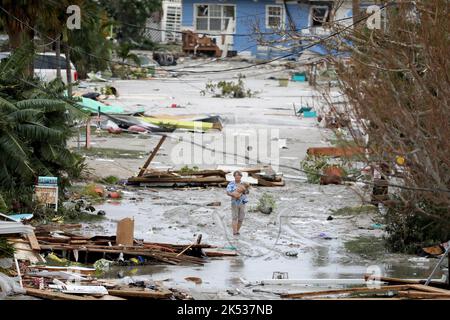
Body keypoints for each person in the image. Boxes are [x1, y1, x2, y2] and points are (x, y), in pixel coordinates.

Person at [226, 171, 249, 236]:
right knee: (234, 217)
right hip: (234, 202)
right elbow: (227, 192)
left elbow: (247, 192)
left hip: (243, 202)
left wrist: (243, 191)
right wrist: (233, 194)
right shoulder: (231, 183)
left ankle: (237, 231)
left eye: (239, 175)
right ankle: (235, 232)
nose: (237, 177)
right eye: (236, 175)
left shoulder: (244, 184)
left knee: (241, 218)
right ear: (234, 176)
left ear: (241, 176)